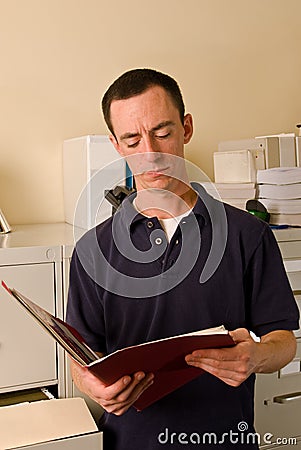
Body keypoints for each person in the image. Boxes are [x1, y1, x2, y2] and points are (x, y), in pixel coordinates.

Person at [66, 68, 299, 449]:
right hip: (130, 442)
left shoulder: (246, 235)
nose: (150, 154)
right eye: (132, 139)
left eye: (162, 133)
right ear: (116, 145)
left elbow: (284, 341)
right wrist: (91, 383)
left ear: (186, 127)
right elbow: (83, 357)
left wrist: (256, 356)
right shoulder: (93, 250)